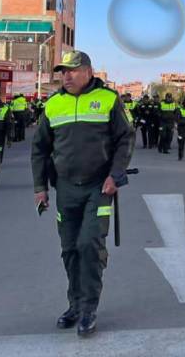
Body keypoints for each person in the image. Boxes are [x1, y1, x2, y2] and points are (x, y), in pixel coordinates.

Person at [32, 50, 134, 338]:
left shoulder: (109, 100)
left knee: (89, 244)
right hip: (65, 188)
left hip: (99, 187)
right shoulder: (53, 105)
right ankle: (74, 304)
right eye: (63, 71)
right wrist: (40, 188)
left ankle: (89, 307)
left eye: (73, 70)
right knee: (69, 248)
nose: (67, 76)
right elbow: (39, 149)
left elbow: (125, 139)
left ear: (89, 71)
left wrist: (115, 174)